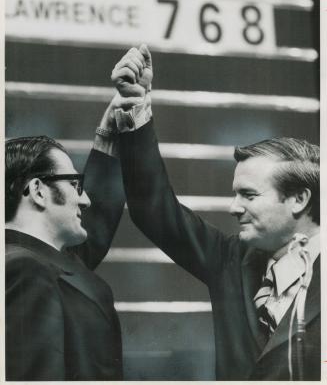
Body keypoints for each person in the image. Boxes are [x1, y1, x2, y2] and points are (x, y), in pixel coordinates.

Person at [108, 45, 320, 380]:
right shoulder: (232, 260)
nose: (234, 208)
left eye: (248, 195)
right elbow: (153, 208)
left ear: (298, 199)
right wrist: (135, 107)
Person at [5, 94, 143, 381]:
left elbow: (94, 229)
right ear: (39, 191)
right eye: (74, 185)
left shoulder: (35, 261)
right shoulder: (26, 271)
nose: (86, 200)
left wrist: (109, 136)